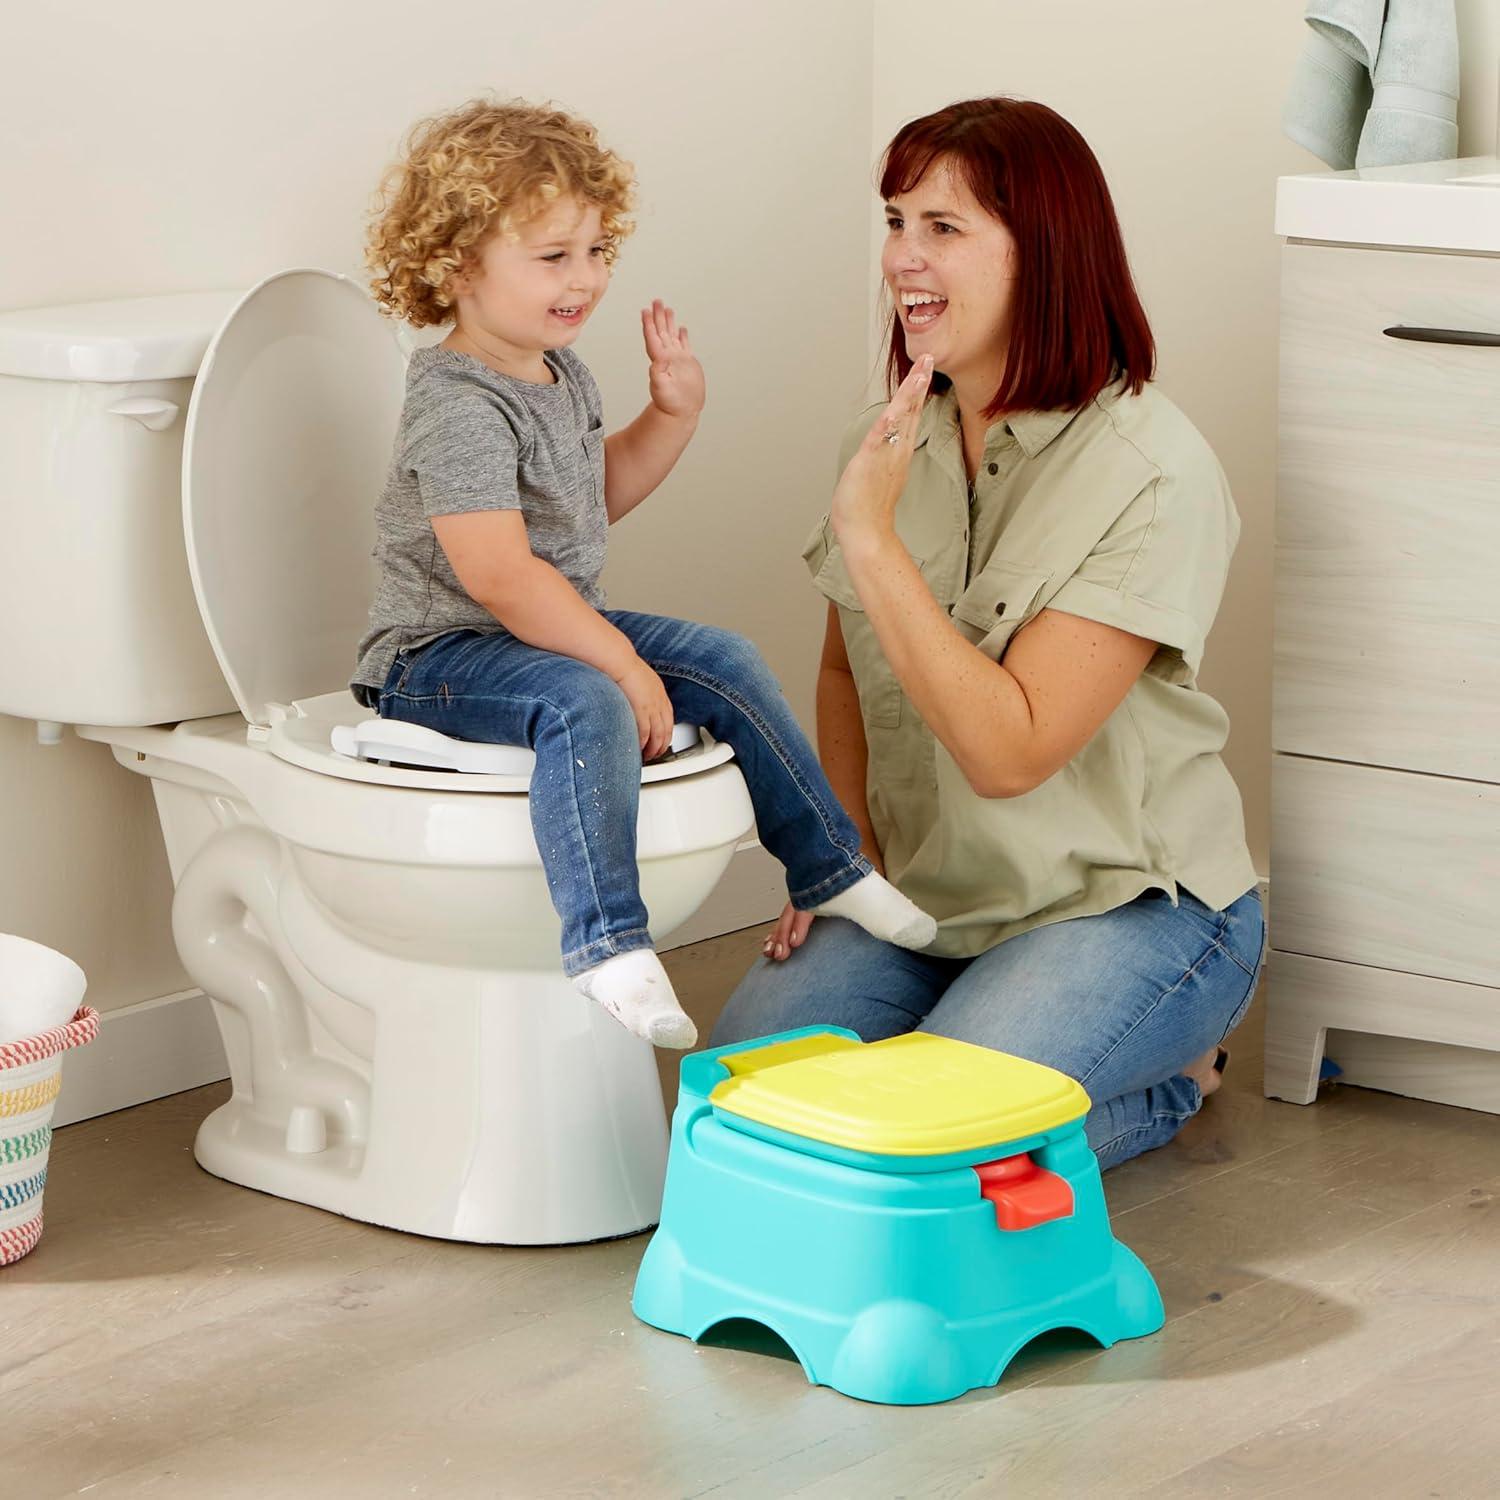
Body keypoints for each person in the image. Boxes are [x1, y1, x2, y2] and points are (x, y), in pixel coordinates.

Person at [711, 97, 1265, 1170]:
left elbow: (1009, 753)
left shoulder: (1152, 473)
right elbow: (842, 672)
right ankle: (985, 1035)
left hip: (1125, 910)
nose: (900, 259)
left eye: (943, 228)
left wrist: (871, 544)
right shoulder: (884, 447)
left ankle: (1177, 1076)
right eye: (894, 221)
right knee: (740, 1125)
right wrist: (846, 858)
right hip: (927, 904)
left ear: (1044, 256)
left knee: (927, 1156)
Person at [350, 99, 936, 1050]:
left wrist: (672, 416)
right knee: (589, 701)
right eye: (553, 256)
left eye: (594, 250)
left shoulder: (557, 370)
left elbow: (589, 504)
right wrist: (621, 665)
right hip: (437, 657)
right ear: (457, 264)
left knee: (724, 658)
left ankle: (828, 866)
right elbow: (499, 575)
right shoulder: (457, 404)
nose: (584, 278)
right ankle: (608, 944)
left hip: (535, 633)